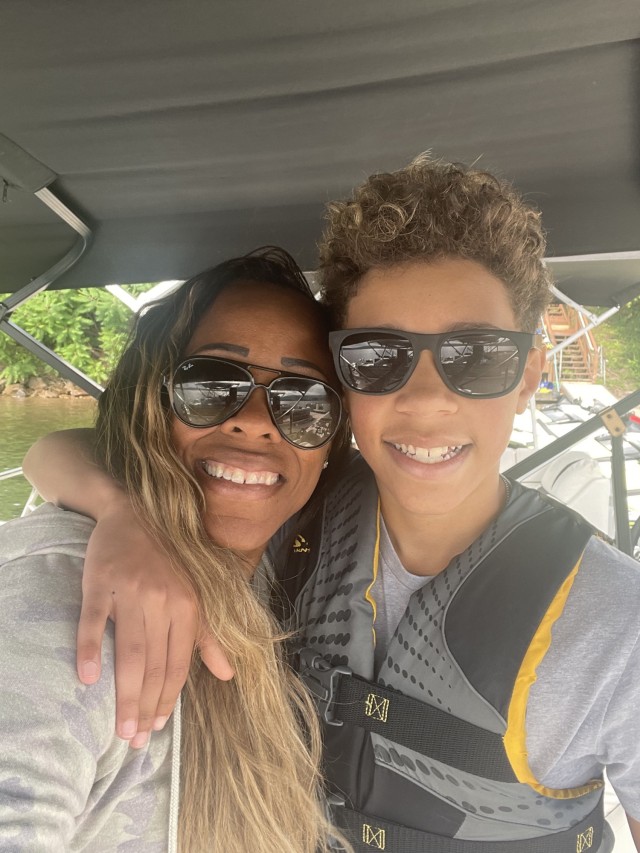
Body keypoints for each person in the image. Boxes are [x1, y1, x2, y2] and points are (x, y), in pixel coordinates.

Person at [24, 157, 640, 853]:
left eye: (476, 356)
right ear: (345, 382)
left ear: (528, 376)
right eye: (380, 356)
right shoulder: (287, 511)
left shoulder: (618, 625)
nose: (426, 399)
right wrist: (121, 510)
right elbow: (77, 445)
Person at [1, 247, 350, 852]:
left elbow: (58, 446)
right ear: (150, 400)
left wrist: (118, 506)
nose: (256, 421)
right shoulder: (66, 597)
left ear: (330, 442)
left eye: (303, 400)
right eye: (212, 384)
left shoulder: (298, 553)